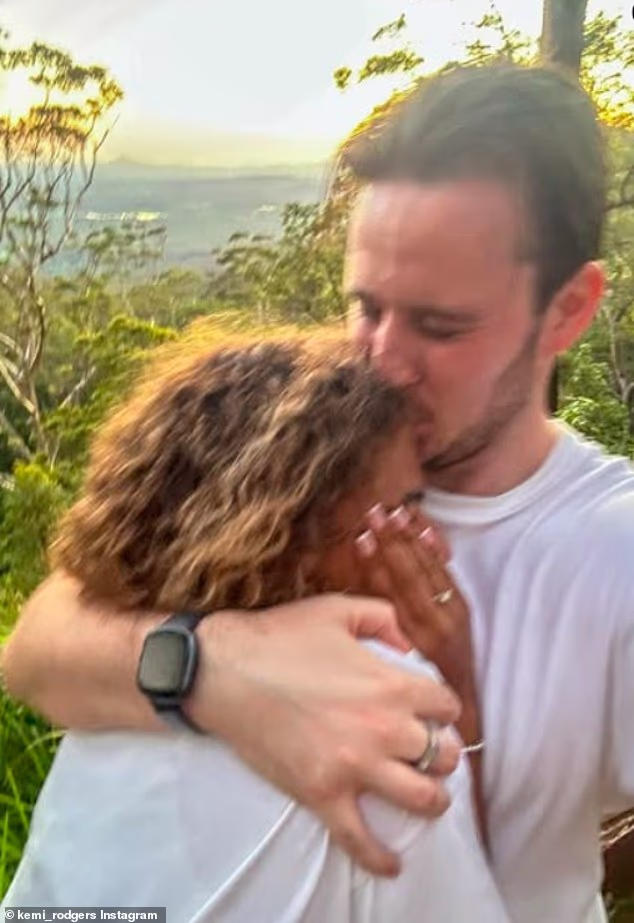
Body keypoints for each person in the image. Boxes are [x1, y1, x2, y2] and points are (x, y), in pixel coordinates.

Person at [2, 62, 632, 921]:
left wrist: (459, 698)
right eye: (366, 307)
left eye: (440, 325)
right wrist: (218, 671)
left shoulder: (611, 550)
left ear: (568, 309)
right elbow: (36, 647)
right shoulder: (299, 447)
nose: (383, 359)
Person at [1, 338, 509, 922]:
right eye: (403, 511)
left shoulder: (111, 699)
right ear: (294, 533)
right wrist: (456, 693)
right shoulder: (376, 717)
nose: (432, 543)